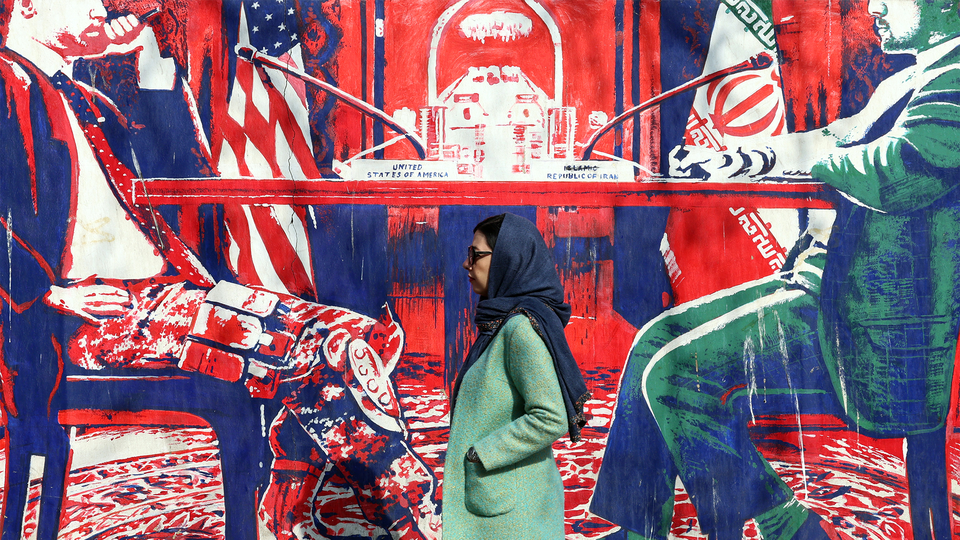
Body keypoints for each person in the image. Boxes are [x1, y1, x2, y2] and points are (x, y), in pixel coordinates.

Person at [0, 1, 440, 538]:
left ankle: (293, 501)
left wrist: (140, 51)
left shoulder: (88, 99)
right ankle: (406, 514)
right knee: (325, 349)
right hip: (84, 319)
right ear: (27, 5)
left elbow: (177, 168)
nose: (104, 6)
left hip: (163, 296)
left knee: (359, 335)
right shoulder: (6, 83)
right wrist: (49, 293)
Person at [591, 1, 960, 539]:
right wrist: (741, 159)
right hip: (823, 286)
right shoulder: (909, 79)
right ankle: (639, 530)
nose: (873, 7)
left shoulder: (955, 80)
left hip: (868, 326)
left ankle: (784, 524)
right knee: (654, 340)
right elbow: (835, 139)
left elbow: (899, 172)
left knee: (675, 373)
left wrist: (816, 162)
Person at [443, 213, 590, 540]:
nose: (467, 265)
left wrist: (481, 454)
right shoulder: (495, 329)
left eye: (475, 254)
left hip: (512, 517)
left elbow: (551, 416)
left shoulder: (519, 329)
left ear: (507, 259)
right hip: (500, 508)